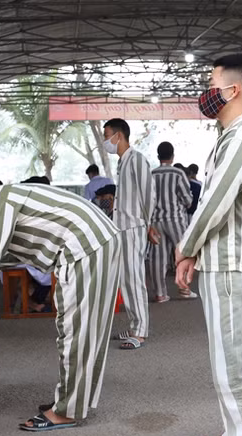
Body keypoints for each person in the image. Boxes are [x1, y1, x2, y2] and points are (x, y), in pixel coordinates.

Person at [0, 181, 120, 431]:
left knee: (75, 330)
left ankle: (67, 411)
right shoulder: (2, 198)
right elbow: (4, 253)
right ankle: (70, 402)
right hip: (93, 242)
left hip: (84, 248)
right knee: (80, 328)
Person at [175, 53, 242, 436]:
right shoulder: (231, 134)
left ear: (233, 90)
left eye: (212, 82)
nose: (206, 91)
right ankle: (237, 434)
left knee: (238, 360)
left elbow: (213, 204)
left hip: (234, 262)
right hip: (223, 260)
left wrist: (185, 247)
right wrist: (195, 251)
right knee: (226, 357)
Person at [103, 118, 157, 350]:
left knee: (134, 278)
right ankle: (135, 324)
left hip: (134, 226)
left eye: (107, 136)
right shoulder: (123, 163)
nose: (105, 141)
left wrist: (149, 224)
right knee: (127, 278)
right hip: (123, 227)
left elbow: (149, 194)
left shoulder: (137, 160)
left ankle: (140, 331)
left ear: (119, 136)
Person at [147, 141, 196, 303]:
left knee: (157, 258)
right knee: (183, 254)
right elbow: (187, 199)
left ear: (158, 156)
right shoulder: (178, 174)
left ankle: (160, 293)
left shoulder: (151, 174)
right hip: (175, 220)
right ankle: (184, 290)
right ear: (173, 156)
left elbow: (146, 200)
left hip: (155, 222)